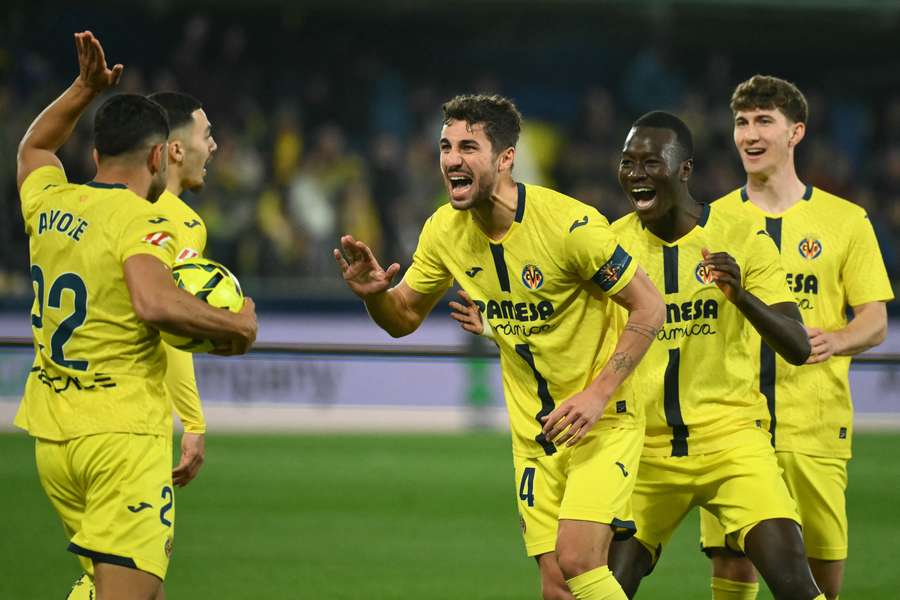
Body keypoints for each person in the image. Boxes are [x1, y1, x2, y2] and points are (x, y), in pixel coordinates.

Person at [335, 93, 665, 600]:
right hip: (535, 433)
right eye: (445, 147)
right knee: (556, 585)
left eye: (468, 146)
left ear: (506, 158)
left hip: (604, 418)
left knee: (579, 559)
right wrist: (376, 296)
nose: (451, 159)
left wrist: (598, 394)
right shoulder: (443, 231)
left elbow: (649, 308)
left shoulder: (570, 226)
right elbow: (402, 318)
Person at [14, 31, 257, 600]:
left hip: (54, 435)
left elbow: (32, 149)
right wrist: (235, 325)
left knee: (135, 590)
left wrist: (81, 90)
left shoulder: (50, 202)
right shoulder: (141, 221)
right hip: (120, 438)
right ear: (158, 156)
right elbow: (153, 302)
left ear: (96, 155)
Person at [602, 111, 823, 600]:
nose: (636, 174)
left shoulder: (742, 237)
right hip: (647, 452)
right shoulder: (608, 245)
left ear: (684, 170)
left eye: (650, 163)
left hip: (733, 444)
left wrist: (742, 297)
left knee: (795, 587)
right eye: (628, 162)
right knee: (603, 589)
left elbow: (799, 345)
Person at [698, 76, 894, 600]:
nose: (749, 133)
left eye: (764, 121)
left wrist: (835, 339)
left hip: (814, 423)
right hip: (731, 427)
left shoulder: (846, 220)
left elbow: (874, 319)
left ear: (796, 132)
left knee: (818, 580)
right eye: (741, 122)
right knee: (732, 564)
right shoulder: (711, 220)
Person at [67, 90, 220, 600]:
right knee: (120, 582)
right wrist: (193, 421)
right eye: (205, 134)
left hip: (71, 419)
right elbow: (170, 327)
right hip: (129, 427)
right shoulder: (174, 223)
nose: (214, 146)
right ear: (171, 151)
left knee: (131, 583)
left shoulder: (102, 207)